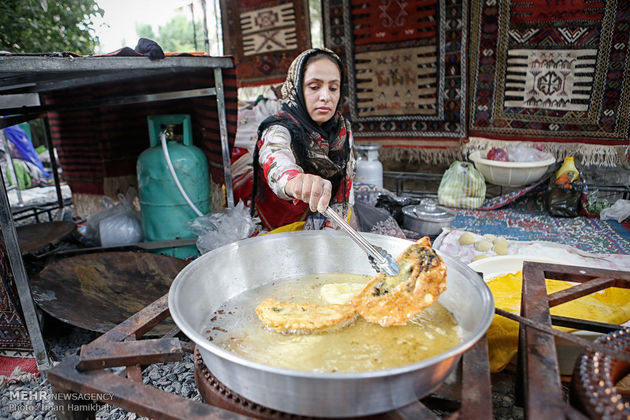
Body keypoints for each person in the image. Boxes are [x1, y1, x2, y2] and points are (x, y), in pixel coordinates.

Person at [250, 48, 355, 231]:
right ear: (296, 86)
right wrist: (295, 181)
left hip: (326, 215)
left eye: (333, 88)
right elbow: (276, 160)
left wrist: (333, 229)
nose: (325, 97)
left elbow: (345, 185)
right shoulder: (278, 128)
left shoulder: (341, 129)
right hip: (283, 223)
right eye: (314, 87)